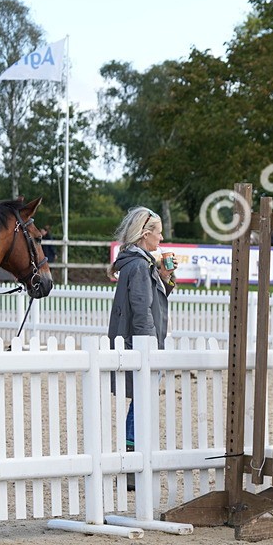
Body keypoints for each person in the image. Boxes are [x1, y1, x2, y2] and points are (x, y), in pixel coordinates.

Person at [107, 207, 175, 489]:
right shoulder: (138, 265)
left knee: (140, 405)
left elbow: (152, 300)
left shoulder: (141, 263)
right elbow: (142, 310)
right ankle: (132, 466)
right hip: (142, 345)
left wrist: (164, 276)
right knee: (141, 405)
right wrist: (150, 349)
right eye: (158, 233)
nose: (161, 238)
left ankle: (132, 463)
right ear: (146, 234)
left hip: (139, 342)